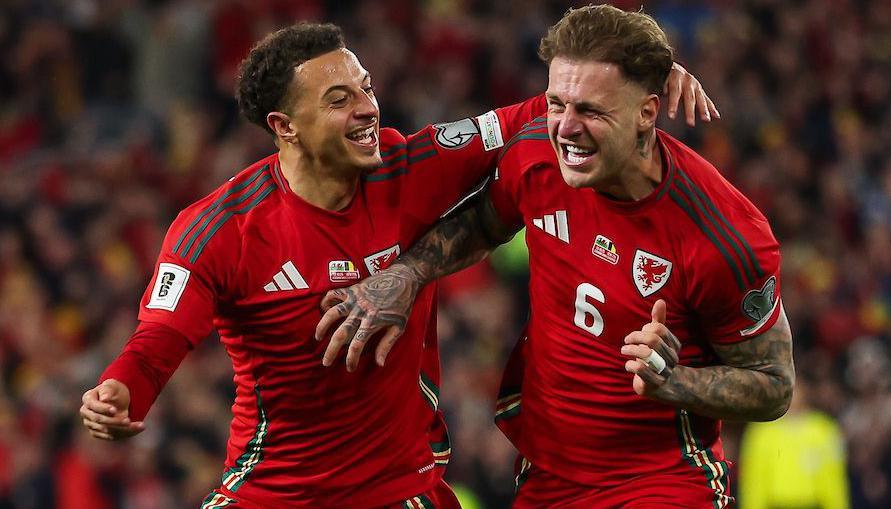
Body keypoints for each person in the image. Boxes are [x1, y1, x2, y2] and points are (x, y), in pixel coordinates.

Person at [77, 21, 716, 509]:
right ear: (284, 126)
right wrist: (122, 389)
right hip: (274, 490)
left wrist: (638, 82)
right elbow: (160, 336)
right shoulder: (219, 229)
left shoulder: (407, 167)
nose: (366, 108)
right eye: (338, 100)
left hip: (400, 490)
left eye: (366, 88)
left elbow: (528, 117)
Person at [317, 5, 793, 508]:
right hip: (548, 476)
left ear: (647, 113)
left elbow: (773, 386)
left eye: (591, 111)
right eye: (555, 104)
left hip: (660, 480)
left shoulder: (724, 236)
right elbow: (482, 222)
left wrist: (676, 382)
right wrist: (409, 274)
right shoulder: (536, 155)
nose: (566, 128)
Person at [739, 376, 849, 509]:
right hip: (775, 505)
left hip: (813, 504)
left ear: (806, 390)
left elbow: (834, 479)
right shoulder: (761, 431)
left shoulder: (824, 430)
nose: (793, 392)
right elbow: (754, 481)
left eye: (796, 387)